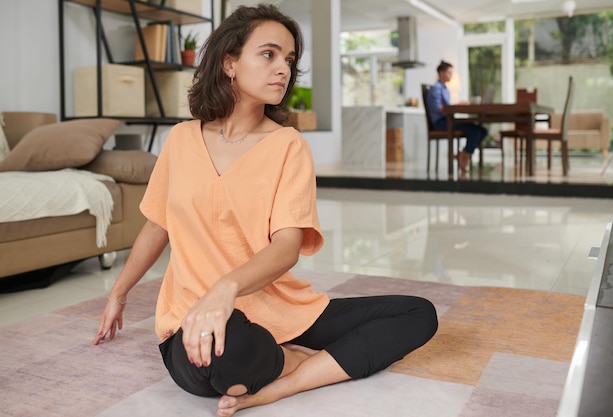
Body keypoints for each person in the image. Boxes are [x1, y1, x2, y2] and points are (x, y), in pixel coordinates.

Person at [93, 4, 438, 417]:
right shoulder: (181, 139)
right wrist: (118, 294)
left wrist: (226, 288)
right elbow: (157, 225)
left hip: (280, 309)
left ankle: (291, 376)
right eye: (269, 54)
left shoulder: (288, 146)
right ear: (230, 63)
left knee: (419, 313)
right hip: (195, 318)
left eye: (289, 60)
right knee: (221, 360)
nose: (284, 69)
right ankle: (289, 359)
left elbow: (287, 246)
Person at [426, 60, 488, 173]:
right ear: (441, 73)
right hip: (441, 123)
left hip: (448, 120)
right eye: (449, 72)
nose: (451, 75)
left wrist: (457, 105)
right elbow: (439, 109)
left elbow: (446, 107)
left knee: (482, 130)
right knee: (475, 131)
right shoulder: (436, 89)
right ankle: (464, 157)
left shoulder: (445, 89)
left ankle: (462, 154)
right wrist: (456, 106)